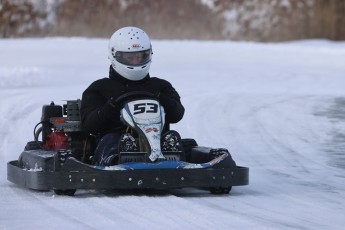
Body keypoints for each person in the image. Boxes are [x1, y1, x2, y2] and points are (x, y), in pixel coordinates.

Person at [80, 26, 185, 166]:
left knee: (172, 138)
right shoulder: (100, 88)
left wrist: (162, 99)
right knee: (112, 139)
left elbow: (177, 114)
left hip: (157, 139)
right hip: (116, 139)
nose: (136, 62)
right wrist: (110, 108)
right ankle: (116, 164)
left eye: (140, 56)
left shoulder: (160, 86)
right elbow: (88, 125)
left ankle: (175, 166)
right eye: (129, 57)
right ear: (115, 56)